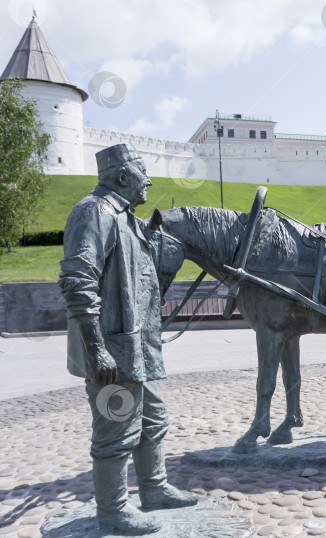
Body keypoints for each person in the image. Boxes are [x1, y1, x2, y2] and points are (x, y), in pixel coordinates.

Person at [59, 144, 197, 535]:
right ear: (122, 176)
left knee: (153, 420)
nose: (149, 180)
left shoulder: (127, 219)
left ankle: (153, 489)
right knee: (115, 432)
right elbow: (77, 280)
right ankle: (113, 511)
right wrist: (96, 347)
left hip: (136, 352)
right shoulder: (95, 212)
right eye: (142, 171)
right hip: (113, 352)